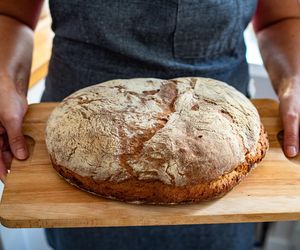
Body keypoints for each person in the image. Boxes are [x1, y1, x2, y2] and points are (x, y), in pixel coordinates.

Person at [0, 0, 299, 250]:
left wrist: (295, 82)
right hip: (84, 133)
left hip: (220, 127)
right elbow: (13, 15)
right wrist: (6, 83)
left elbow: (281, 18)